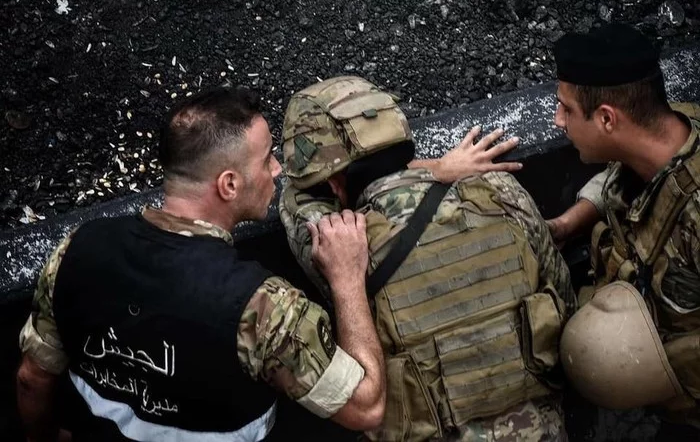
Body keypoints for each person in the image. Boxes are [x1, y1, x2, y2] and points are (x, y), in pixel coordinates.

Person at [15, 87, 386, 442]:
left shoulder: (77, 248)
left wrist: (42, 436)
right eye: (267, 159)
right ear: (229, 185)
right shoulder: (265, 308)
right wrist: (347, 279)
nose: (277, 169)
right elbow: (366, 407)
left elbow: (32, 378)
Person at [278, 76, 576, 441]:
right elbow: (562, 292)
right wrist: (431, 170)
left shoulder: (341, 242)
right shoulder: (500, 189)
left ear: (334, 184)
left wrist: (428, 168)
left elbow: (293, 198)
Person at [546, 23, 700, 431]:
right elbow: (619, 182)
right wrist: (568, 223)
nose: (558, 120)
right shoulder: (662, 130)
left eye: (566, 108)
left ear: (607, 119)